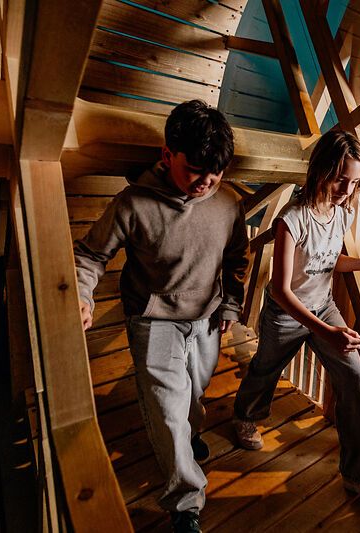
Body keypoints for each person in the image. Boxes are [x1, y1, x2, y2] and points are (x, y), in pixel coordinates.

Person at [74, 100, 249, 532]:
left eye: (216, 173)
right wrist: (82, 294)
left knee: (194, 393)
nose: (205, 183)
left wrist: (230, 304)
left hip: (206, 315)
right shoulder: (133, 203)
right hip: (153, 318)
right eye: (194, 171)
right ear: (168, 154)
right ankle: (185, 502)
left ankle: (190, 437)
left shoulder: (228, 203)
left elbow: (237, 257)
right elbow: (90, 255)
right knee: (168, 409)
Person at [230, 130, 360, 501]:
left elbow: (328, 260)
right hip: (286, 315)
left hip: (323, 306)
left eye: (353, 182)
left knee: (355, 378)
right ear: (320, 170)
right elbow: (280, 290)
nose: (346, 189)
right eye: (340, 179)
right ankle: (245, 415)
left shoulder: (342, 214)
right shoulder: (292, 220)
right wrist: (327, 331)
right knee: (266, 368)